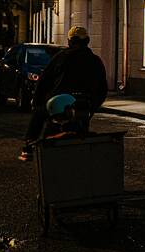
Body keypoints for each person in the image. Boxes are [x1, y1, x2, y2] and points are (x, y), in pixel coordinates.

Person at [20, 26, 108, 161]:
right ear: (87, 41)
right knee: (84, 126)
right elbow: (102, 88)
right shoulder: (95, 60)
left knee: (39, 112)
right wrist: (94, 105)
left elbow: (44, 80)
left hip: (61, 101)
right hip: (84, 103)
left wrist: (36, 100)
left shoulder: (61, 57)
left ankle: (28, 147)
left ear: (69, 41)